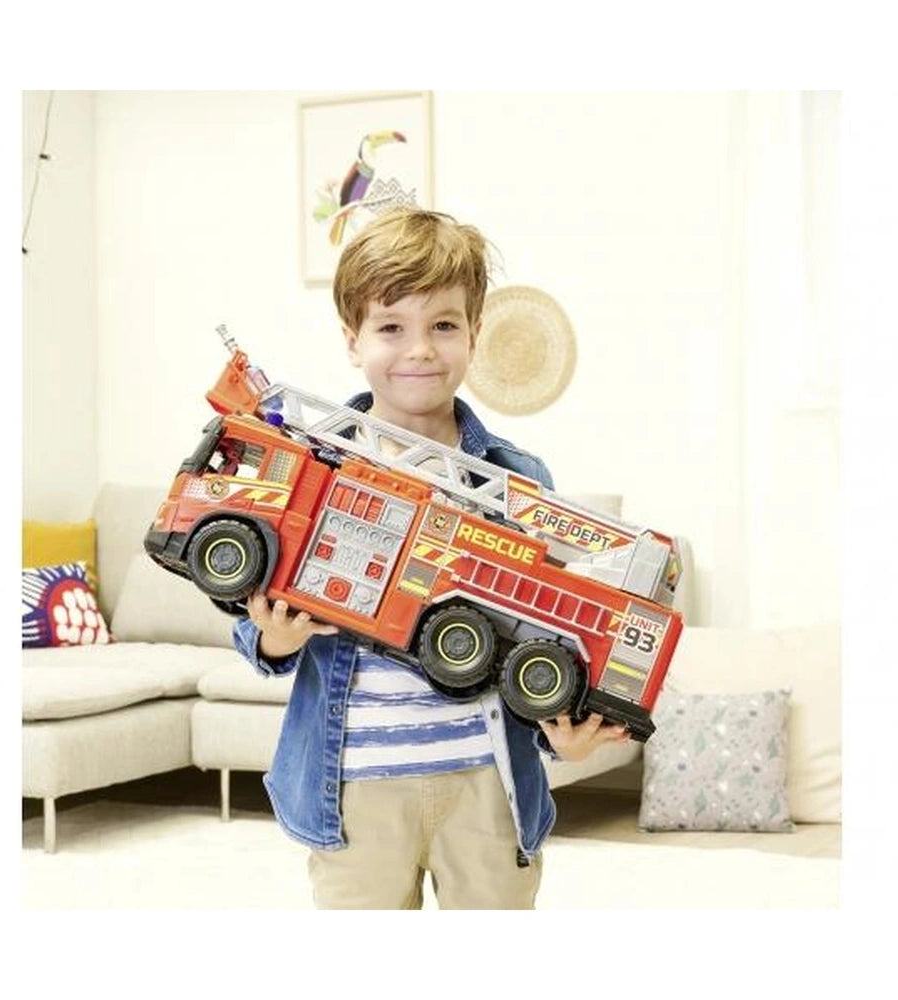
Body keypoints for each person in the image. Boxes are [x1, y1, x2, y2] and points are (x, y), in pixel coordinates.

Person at [232, 207, 629, 909]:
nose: (419, 350)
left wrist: (561, 739)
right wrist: (273, 636)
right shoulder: (315, 459)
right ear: (352, 340)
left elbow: (543, 633)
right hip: (352, 786)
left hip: (487, 783)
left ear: (475, 335)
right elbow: (254, 619)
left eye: (443, 325)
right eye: (391, 328)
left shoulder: (516, 479)